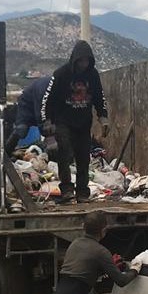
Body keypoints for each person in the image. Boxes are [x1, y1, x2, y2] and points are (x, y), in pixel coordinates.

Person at [40, 40, 110, 203]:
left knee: (83, 157)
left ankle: (82, 192)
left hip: (84, 123)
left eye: (87, 61)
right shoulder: (61, 74)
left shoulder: (93, 75)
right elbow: (47, 100)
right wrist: (47, 122)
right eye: (81, 61)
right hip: (64, 121)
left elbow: (100, 97)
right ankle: (66, 190)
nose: (84, 64)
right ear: (75, 59)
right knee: (64, 154)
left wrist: (103, 117)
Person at [4, 75, 50, 155]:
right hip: (26, 106)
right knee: (21, 130)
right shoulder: (43, 89)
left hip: (42, 108)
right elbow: (41, 114)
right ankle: (6, 153)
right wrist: (47, 134)